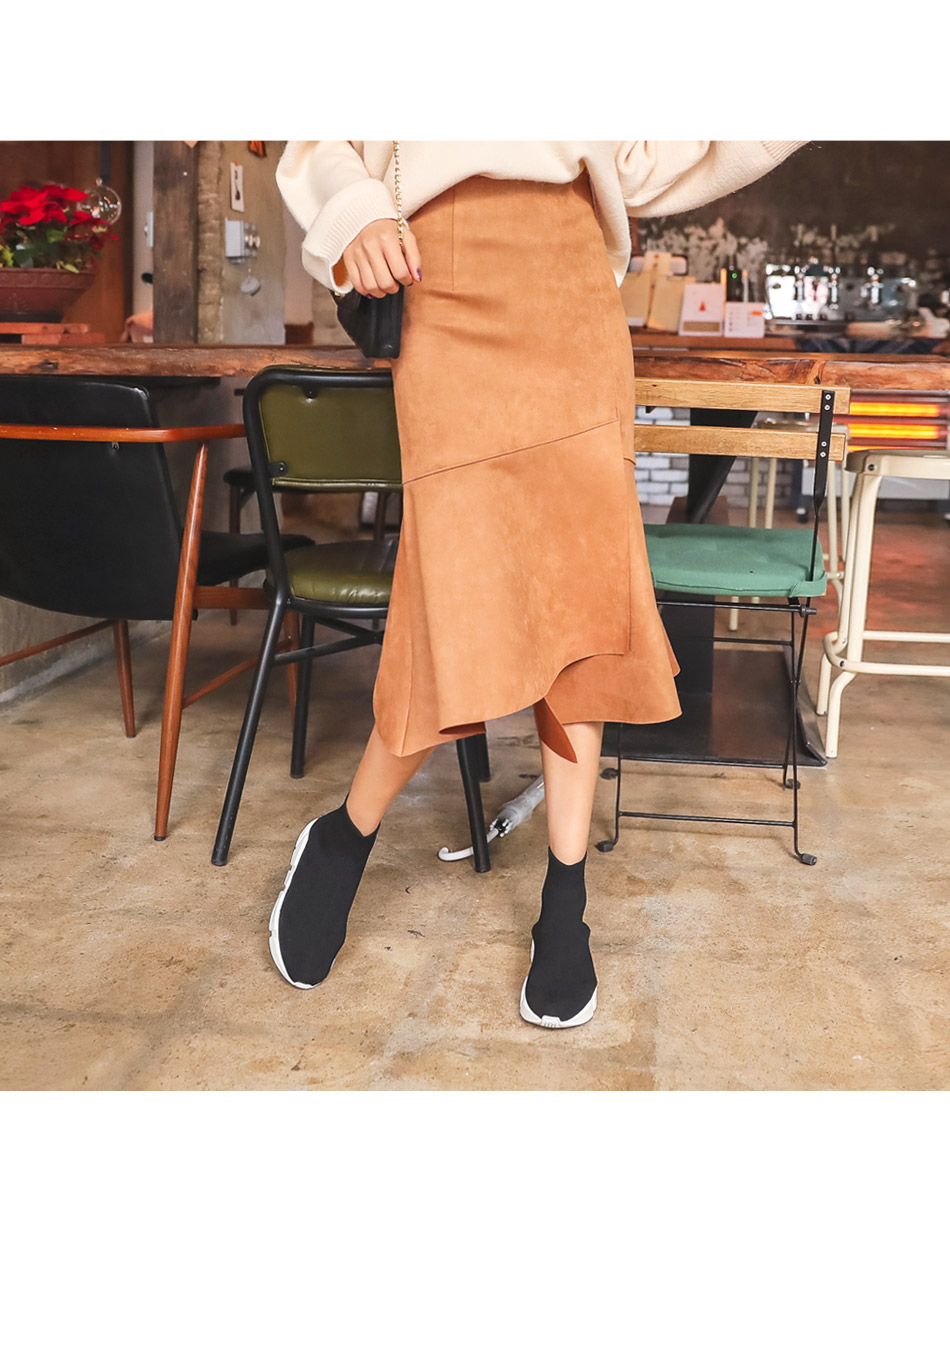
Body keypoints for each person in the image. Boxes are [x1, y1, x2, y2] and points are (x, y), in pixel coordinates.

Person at [271, 140, 805, 1028]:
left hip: (570, 286)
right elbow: (325, 135)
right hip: (440, 277)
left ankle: (566, 899)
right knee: (453, 595)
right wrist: (355, 208)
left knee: (581, 597)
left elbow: (645, 150)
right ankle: (345, 833)